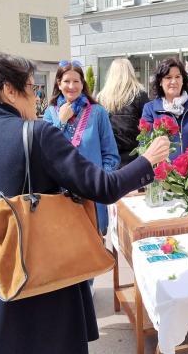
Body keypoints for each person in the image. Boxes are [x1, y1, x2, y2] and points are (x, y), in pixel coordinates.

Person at [0, 50, 170, 354]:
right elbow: (102, 187)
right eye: (31, 88)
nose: (35, 97)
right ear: (8, 90)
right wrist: (147, 160)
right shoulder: (38, 133)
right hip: (39, 278)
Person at [43, 61, 120, 256]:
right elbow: (44, 153)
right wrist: (60, 122)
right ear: (58, 83)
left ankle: (89, 287)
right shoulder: (50, 114)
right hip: (61, 195)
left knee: (92, 251)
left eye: (76, 81)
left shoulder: (98, 112)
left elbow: (111, 154)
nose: (71, 86)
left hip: (92, 195)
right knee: (67, 254)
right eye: (66, 81)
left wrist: (101, 181)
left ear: (82, 83)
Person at [142, 57, 188, 159]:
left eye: (177, 77)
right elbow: (144, 144)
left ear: (183, 80)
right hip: (166, 174)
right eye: (168, 77)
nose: (174, 81)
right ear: (160, 81)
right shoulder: (150, 109)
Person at [97, 58, 150, 168]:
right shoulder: (139, 95)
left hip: (108, 157)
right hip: (134, 157)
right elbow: (148, 125)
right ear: (130, 73)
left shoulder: (101, 98)